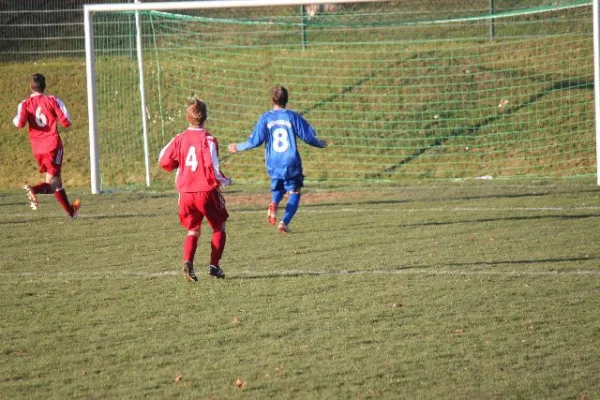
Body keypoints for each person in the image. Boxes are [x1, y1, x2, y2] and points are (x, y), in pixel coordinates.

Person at [228, 85, 327, 233]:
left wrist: (238, 146)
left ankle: (274, 203)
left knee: (279, 187)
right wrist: (320, 143)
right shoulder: (292, 116)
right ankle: (284, 223)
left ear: (271, 100)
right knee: (294, 191)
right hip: (290, 160)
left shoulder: (265, 118)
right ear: (287, 100)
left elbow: (255, 141)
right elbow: (308, 137)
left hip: (273, 161)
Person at [159, 99, 231, 282]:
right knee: (219, 226)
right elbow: (212, 167)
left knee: (193, 229)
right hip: (205, 191)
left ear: (187, 117)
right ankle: (214, 266)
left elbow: (163, 160)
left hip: (185, 192)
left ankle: (188, 262)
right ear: (205, 117)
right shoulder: (209, 140)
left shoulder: (179, 138)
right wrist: (225, 180)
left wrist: (175, 164)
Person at [12, 73, 80, 218]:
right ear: (45, 86)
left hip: (38, 149)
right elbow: (66, 122)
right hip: (53, 146)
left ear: (31, 87)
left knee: (55, 182)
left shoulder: (24, 104)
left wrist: (16, 118)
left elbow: (19, 123)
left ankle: (71, 211)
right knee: (53, 183)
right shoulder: (52, 100)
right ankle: (33, 189)